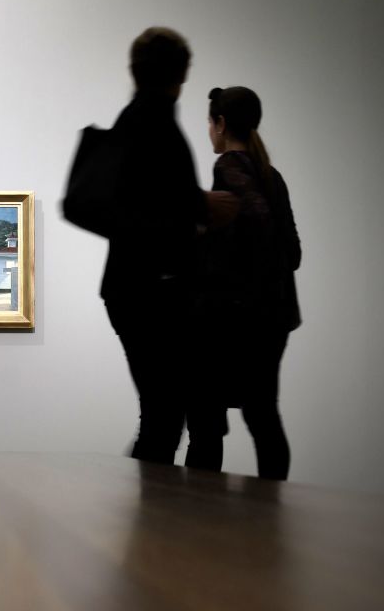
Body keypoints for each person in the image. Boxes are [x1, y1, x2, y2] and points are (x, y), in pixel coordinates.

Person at [102, 28, 237, 467]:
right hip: (152, 289)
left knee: (163, 413)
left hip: (133, 287)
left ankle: (151, 524)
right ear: (181, 74)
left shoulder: (136, 118)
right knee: (166, 415)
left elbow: (140, 199)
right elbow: (160, 201)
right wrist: (203, 205)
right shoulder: (155, 122)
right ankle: (154, 527)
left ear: (134, 69)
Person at [196, 86, 302, 480]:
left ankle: (200, 522)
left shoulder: (227, 170)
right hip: (273, 315)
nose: (208, 130)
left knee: (207, 418)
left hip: (231, 316)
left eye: (210, 122)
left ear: (221, 124)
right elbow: (292, 254)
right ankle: (270, 519)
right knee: (262, 415)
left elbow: (253, 232)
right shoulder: (272, 176)